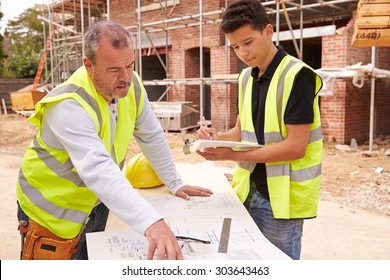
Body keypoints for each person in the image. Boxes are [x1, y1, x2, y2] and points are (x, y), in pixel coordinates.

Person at [16, 20, 212, 260]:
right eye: (113, 70)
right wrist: (152, 222)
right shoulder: (68, 105)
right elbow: (98, 169)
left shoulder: (132, 85)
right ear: (89, 65)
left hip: (97, 205)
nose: (125, 77)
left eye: (130, 65)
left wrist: (174, 181)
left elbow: (151, 135)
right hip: (51, 215)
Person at [196, 0, 323, 260]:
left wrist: (232, 156)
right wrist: (216, 139)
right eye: (235, 47)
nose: (243, 53)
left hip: (282, 202)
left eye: (248, 42)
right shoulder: (246, 78)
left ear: (268, 31)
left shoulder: (298, 76)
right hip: (247, 190)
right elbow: (242, 132)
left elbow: (295, 147)